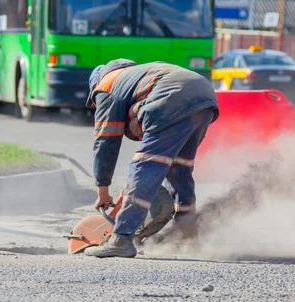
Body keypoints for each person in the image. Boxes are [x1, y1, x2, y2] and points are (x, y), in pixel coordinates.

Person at [84, 59, 218, 258]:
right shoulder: (140, 74)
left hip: (172, 98)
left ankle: (121, 239)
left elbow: (106, 142)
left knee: (145, 165)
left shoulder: (106, 85)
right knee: (179, 168)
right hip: (205, 97)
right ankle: (187, 233)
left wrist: (102, 189)